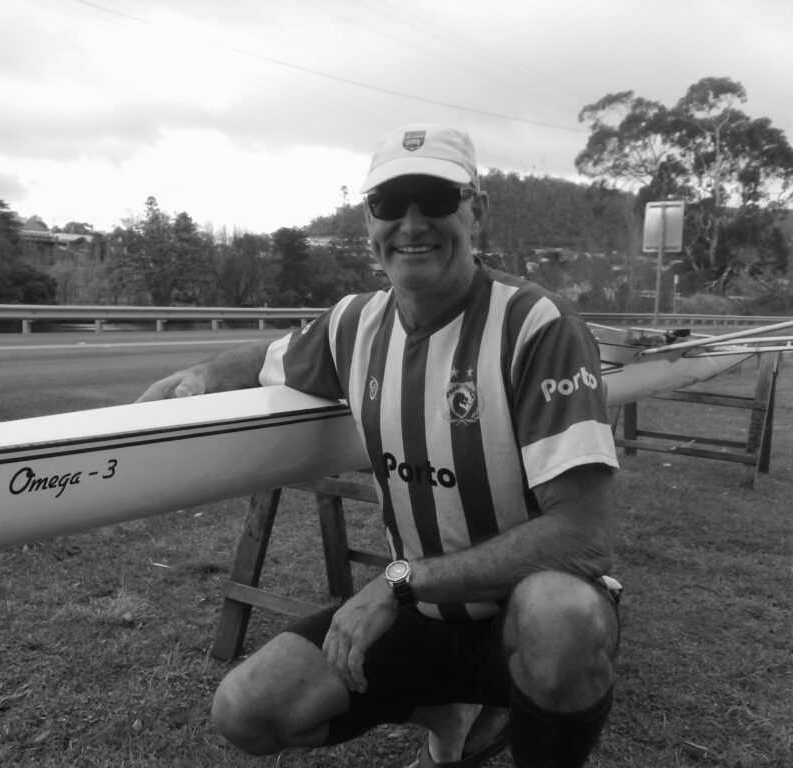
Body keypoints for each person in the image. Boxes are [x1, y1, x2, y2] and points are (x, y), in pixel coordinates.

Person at [137, 123, 621, 768]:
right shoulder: (354, 322)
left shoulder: (537, 323)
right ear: (369, 220)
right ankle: (445, 712)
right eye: (389, 204)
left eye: (436, 199)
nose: (411, 224)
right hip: (421, 613)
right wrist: (199, 378)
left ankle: (526, 719)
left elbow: (584, 534)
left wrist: (397, 585)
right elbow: (268, 358)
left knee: (562, 615)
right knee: (244, 710)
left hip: (511, 613)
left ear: (476, 210)